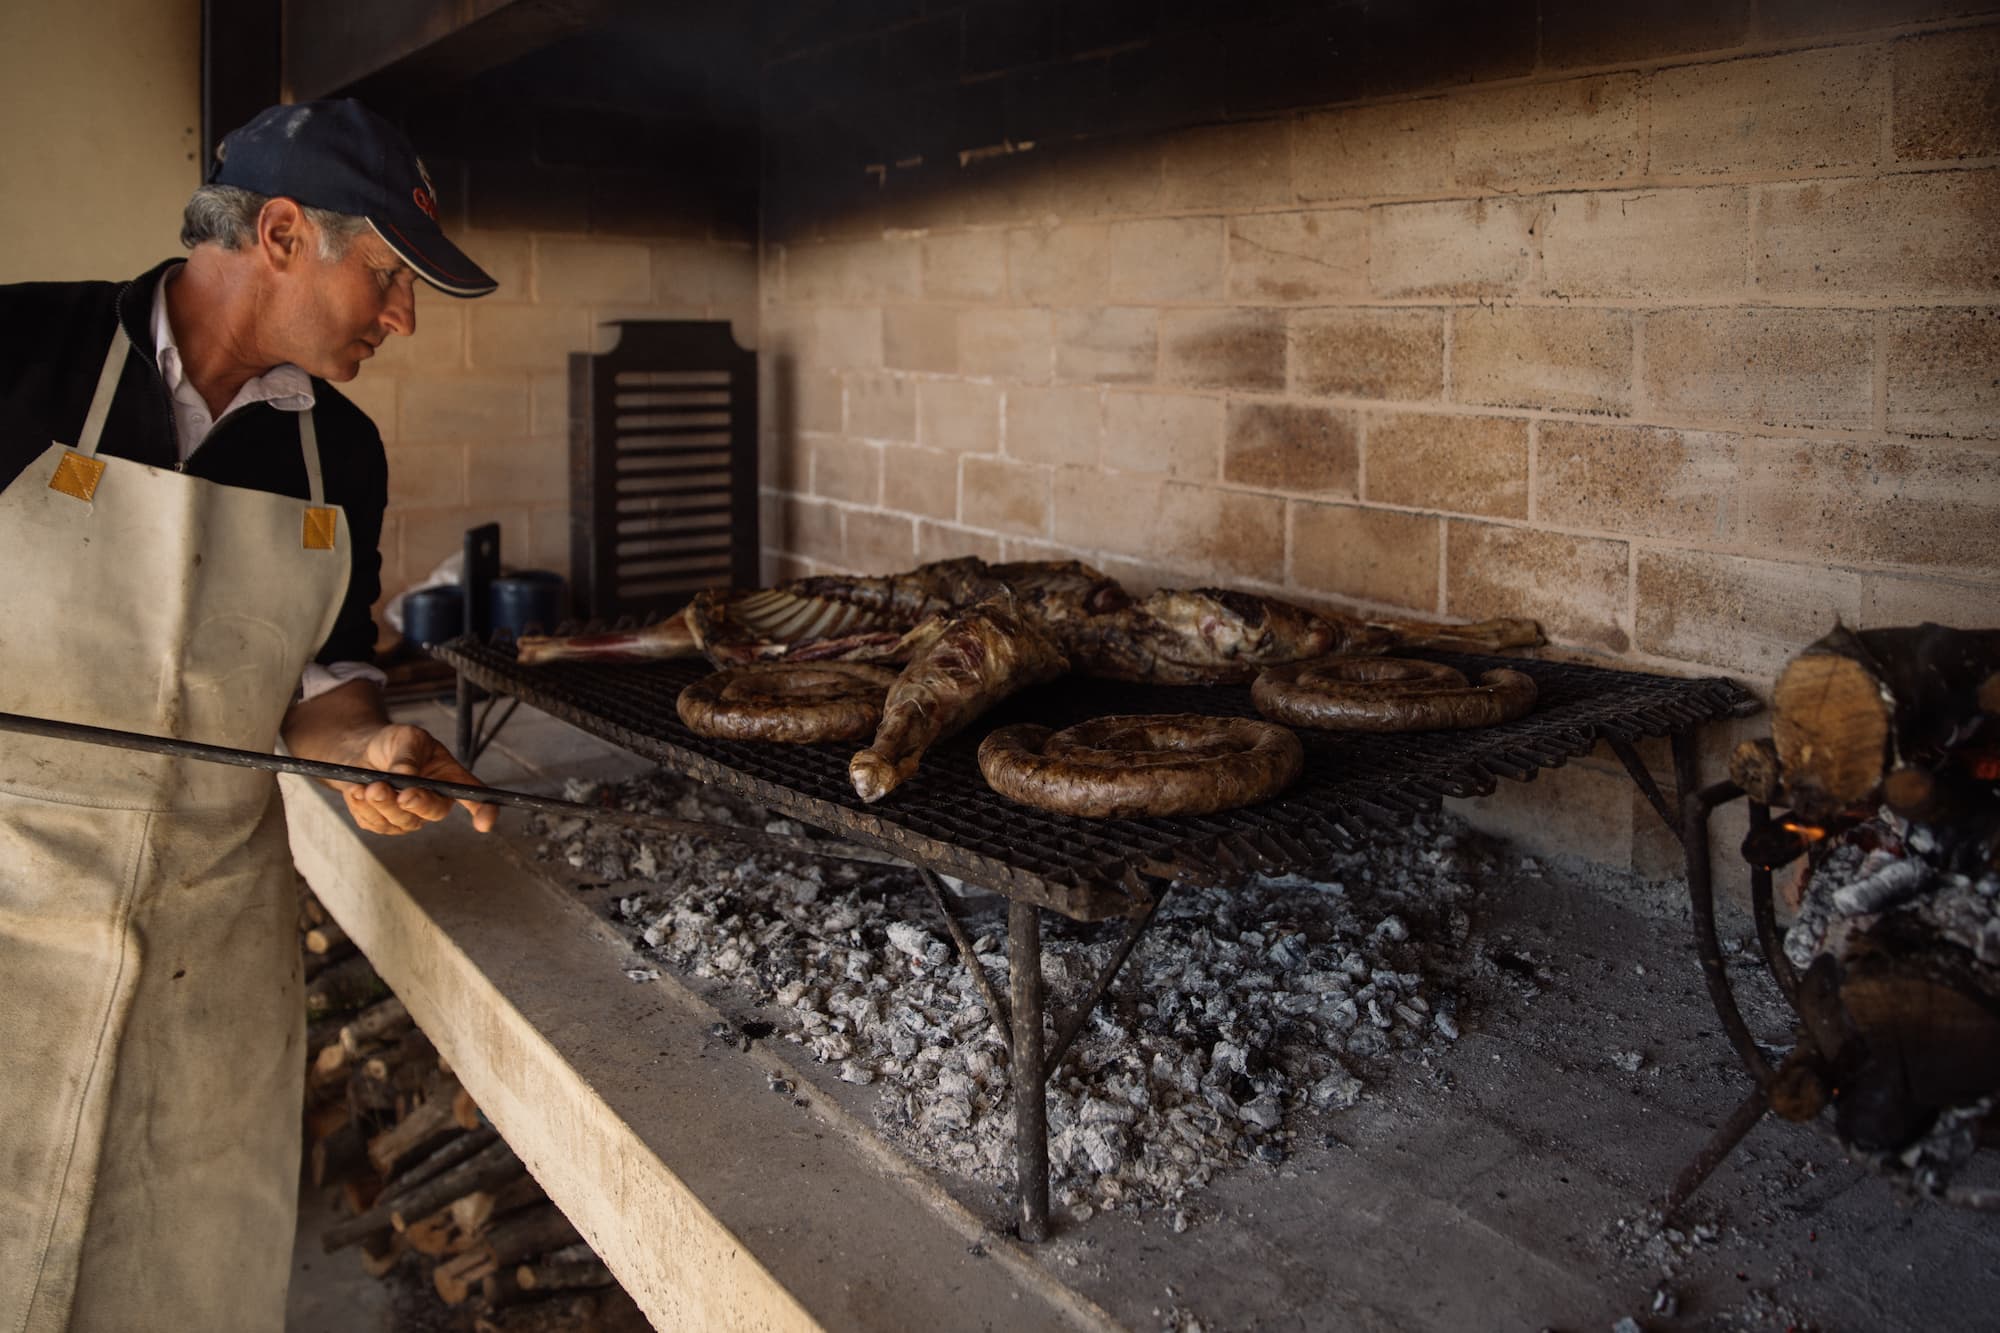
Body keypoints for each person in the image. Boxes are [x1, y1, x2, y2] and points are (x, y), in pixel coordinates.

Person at [0, 99, 501, 1330]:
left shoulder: (343, 455)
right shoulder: (21, 351)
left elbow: (324, 688)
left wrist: (367, 748)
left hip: (207, 958)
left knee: (170, 1285)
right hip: (8, 920)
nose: (403, 316)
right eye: (386, 276)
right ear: (281, 233)